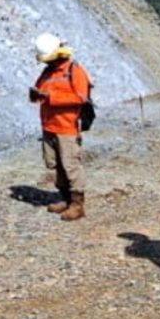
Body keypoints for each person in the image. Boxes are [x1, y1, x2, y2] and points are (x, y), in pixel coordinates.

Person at [29, 32, 93, 221]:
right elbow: (41, 90)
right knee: (57, 166)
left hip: (67, 127)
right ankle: (65, 198)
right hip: (50, 127)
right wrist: (35, 95)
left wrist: (52, 98)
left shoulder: (74, 70)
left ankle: (77, 204)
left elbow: (81, 98)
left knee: (71, 166)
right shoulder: (47, 72)